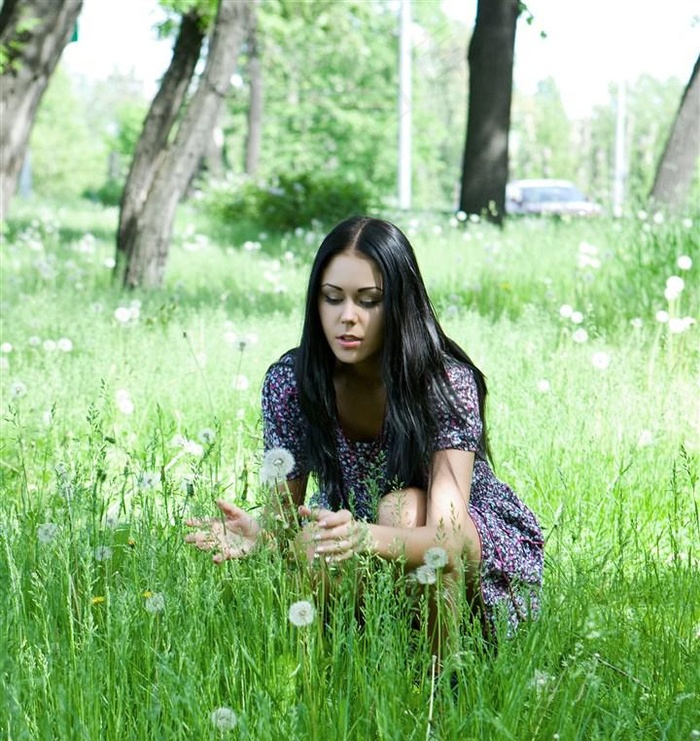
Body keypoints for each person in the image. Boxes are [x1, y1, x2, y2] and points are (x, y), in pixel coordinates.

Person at [186, 216, 543, 641]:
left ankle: (440, 687)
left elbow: (448, 539)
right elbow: (285, 517)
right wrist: (262, 534)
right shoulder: (293, 383)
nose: (347, 317)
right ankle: (322, 685)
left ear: (399, 304)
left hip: (469, 557)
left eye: (369, 300)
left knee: (403, 508)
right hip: (356, 537)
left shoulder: (443, 382)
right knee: (310, 545)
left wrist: (366, 536)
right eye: (332, 298)